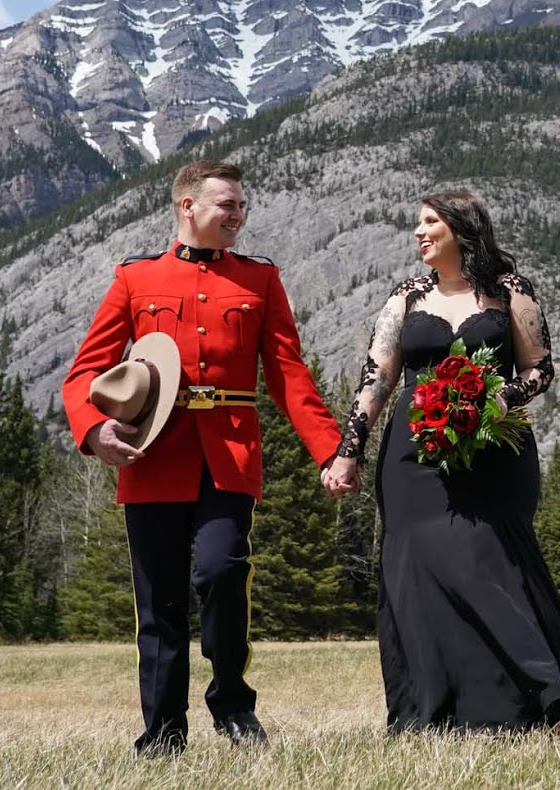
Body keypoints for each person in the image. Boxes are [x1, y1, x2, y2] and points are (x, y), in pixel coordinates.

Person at [63, 158, 351, 757]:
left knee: (222, 572)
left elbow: (289, 375)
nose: (239, 214)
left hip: (229, 457)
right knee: (159, 600)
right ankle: (164, 733)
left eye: (243, 205)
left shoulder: (260, 281)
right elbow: (85, 372)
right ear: (187, 207)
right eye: (227, 204)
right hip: (151, 458)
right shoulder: (135, 280)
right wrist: (93, 431)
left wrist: (330, 449)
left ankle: (232, 701)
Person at [322, 187, 560, 731]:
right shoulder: (406, 297)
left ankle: (533, 696)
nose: (419, 233)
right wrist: (347, 452)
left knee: (488, 562)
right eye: (417, 224)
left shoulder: (508, 291)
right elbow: (376, 379)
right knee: (417, 568)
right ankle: (435, 707)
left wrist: (491, 400)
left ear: (461, 229)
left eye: (429, 223)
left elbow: (540, 369)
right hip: (411, 457)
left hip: (493, 450)